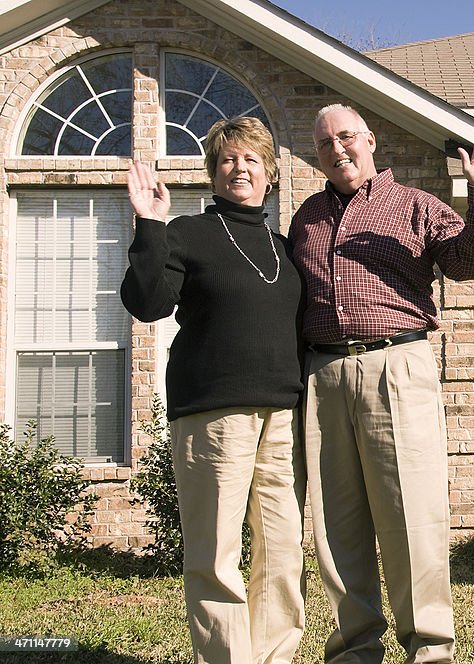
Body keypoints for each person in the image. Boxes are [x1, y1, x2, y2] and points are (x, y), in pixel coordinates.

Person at [290, 103, 474, 664]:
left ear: (371, 140)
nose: (337, 150)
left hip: (397, 365)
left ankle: (430, 649)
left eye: (346, 138)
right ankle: (354, 650)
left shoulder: (414, 205)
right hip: (323, 375)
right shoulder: (306, 218)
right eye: (324, 144)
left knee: (412, 515)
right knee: (336, 524)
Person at [120, 117, 306, 664]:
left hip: (283, 413)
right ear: (213, 173)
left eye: (251, 159)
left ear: (269, 173)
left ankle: (275, 656)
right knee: (216, 551)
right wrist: (149, 224)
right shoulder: (185, 233)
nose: (239, 168)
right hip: (212, 411)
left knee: (281, 553)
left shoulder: (283, 246)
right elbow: (147, 302)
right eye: (227, 160)